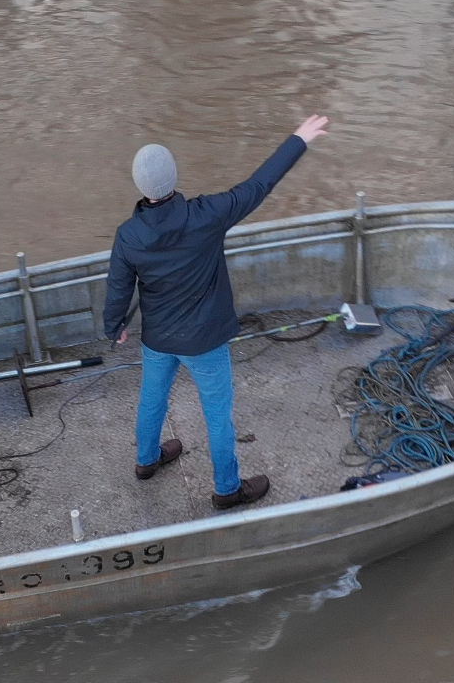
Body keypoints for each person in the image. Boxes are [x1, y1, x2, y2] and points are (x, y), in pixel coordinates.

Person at [103, 114, 330, 509]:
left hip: (158, 338)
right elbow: (259, 185)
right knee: (217, 416)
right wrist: (299, 139)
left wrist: (115, 325)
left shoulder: (129, 235)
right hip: (204, 341)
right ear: (173, 179)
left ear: (140, 186)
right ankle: (227, 489)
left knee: (151, 399)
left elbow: (119, 285)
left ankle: (146, 461)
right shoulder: (207, 215)